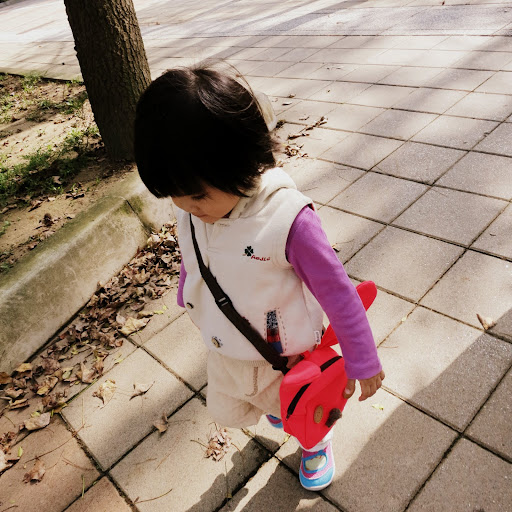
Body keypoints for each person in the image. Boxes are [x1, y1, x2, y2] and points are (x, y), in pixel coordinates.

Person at [134, 65, 385, 492]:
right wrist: (187, 293)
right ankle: (279, 409)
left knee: (303, 411)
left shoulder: (288, 222)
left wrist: (363, 359)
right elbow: (192, 252)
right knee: (236, 408)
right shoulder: (193, 209)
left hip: (283, 354)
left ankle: (315, 442)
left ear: (241, 164)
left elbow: (338, 293)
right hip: (227, 346)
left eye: (196, 195)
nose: (185, 205)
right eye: (173, 194)